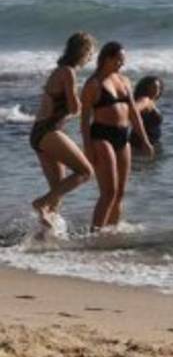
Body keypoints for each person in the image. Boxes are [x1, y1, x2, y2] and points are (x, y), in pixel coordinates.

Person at [80, 42, 155, 231]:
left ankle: (111, 233)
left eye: (123, 60)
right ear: (107, 58)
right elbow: (84, 121)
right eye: (119, 59)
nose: (122, 63)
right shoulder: (93, 84)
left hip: (123, 136)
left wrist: (144, 139)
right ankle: (94, 234)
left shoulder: (124, 81)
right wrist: (88, 149)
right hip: (101, 136)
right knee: (109, 192)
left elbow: (134, 113)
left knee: (120, 193)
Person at [29, 32, 97, 227]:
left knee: (57, 190)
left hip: (40, 133)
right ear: (82, 51)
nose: (91, 57)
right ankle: (40, 203)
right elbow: (75, 108)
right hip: (48, 131)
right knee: (85, 172)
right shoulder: (68, 72)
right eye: (90, 52)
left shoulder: (60, 70)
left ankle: (43, 238)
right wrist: (88, 98)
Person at [132, 76, 165, 153]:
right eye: (153, 87)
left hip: (147, 142)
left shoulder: (150, 101)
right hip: (140, 144)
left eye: (159, 87)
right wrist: (145, 141)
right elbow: (133, 110)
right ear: (146, 88)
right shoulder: (145, 100)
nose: (157, 90)